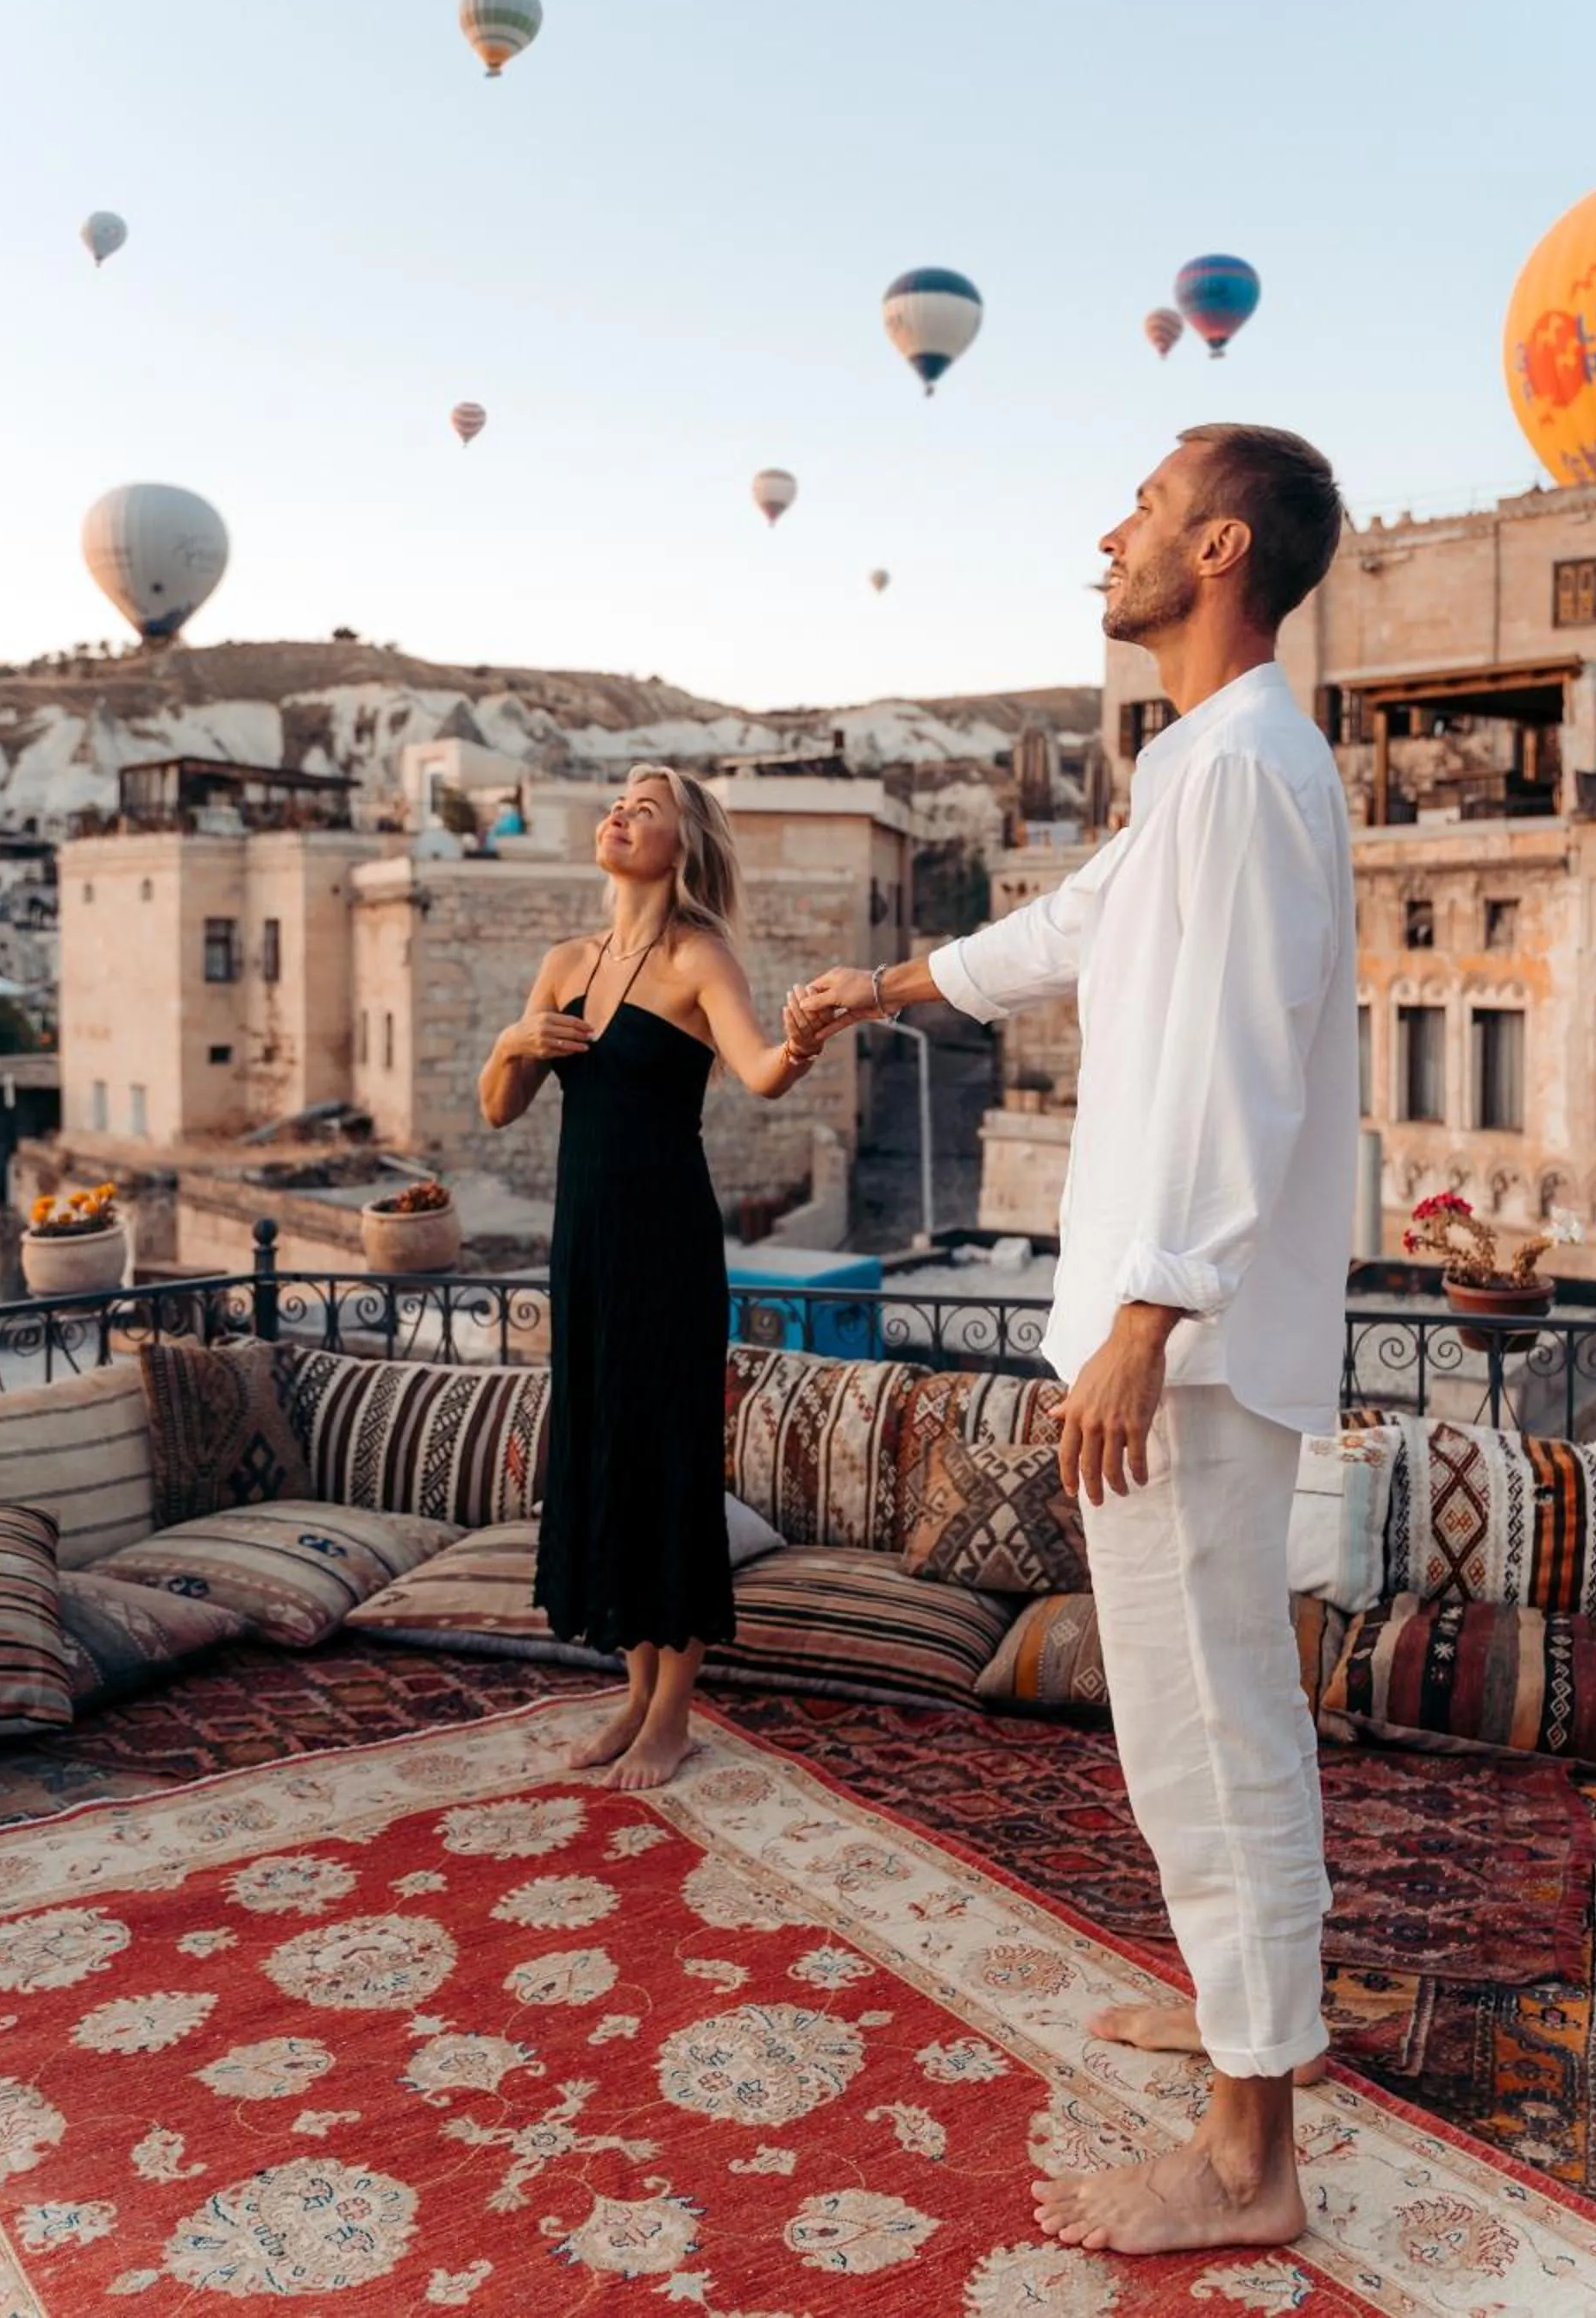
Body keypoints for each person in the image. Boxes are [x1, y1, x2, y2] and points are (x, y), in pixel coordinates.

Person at [792, 424, 1356, 2258]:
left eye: (1138, 503)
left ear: (1217, 549)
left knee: (1205, 1728)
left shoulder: (1250, 770)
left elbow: (1235, 1063)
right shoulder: (1203, 771)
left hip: (1173, 1344)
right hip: (1164, 1326)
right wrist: (878, 986)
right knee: (1201, 1710)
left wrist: (1149, 1306)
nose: (1103, 529)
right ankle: (1241, 2023)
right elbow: (1073, 932)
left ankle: (1247, 2156)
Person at [479, 765, 824, 1792]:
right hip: (581, 1239)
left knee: (666, 1455)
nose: (622, 813)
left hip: (666, 1239)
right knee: (604, 1448)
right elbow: (501, 1107)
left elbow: (759, 1072)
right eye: (618, 801)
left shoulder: (696, 957)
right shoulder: (564, 961)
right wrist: (511, 1039)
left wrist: (803, 1037)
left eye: (648, 807)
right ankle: (632, 1693)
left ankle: (674, 1711)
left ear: (683, 845)